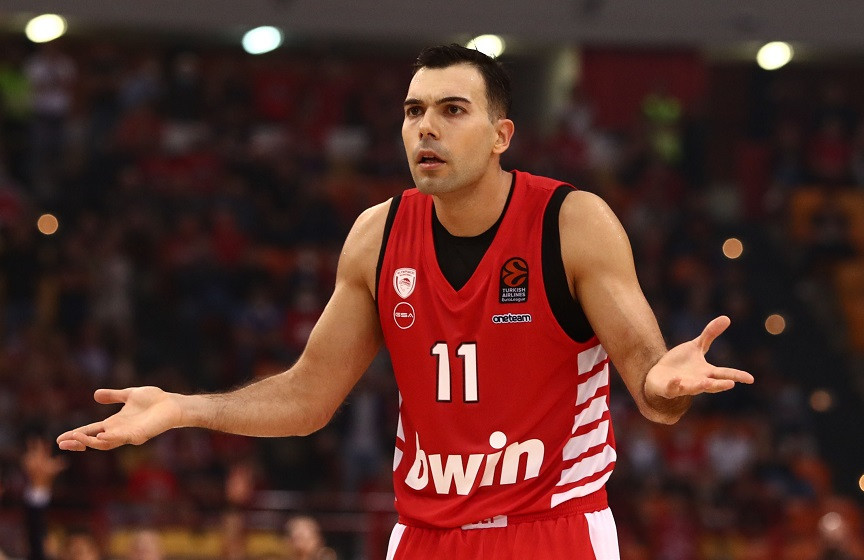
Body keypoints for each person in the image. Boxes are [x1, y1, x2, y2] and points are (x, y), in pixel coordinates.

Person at [57, 44, 753, 558]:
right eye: (414, 111)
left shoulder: (572, 224)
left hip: (550, 530)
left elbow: (651, 385)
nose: (426, 128)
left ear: (502, 135)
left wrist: (664, 384)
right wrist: (183, 408)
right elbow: (307, 398)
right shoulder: (377, 235)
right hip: (424, 536)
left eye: (452, 110)